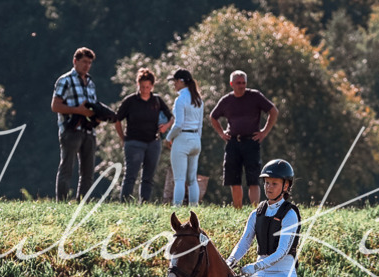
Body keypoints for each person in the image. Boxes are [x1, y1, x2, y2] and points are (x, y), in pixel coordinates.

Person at [209, 70, 279, 209]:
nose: (241, 86)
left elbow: (273, 111)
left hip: (251, 142)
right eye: (238, 83)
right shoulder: (226, 100)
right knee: (234, 179)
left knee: (253, 179)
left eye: (243, 83)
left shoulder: (255, 96)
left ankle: (255, 210)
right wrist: (221, 133)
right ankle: (238, 209)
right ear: (231, 84)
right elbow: (213, 117)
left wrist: (264, 132)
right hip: (233, 142)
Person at [114, 68, 173, 202]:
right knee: (131, 176)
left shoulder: (157, 100)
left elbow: (171, 117)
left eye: (148, 86)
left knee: (148, 177)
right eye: (142, 86)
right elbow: (117, 119)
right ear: (138, 85)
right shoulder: (130, 101)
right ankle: (125, 203)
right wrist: (123, 138)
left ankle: (144, 202)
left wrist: (166, 126)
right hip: (134, 143)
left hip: (153, 142)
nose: (145, 89)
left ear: (152, 86)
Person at [52, 47, 98, 202]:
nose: (87, 65)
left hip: (89, 131)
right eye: (84, 61)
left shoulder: (90, 82)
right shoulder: (65, 80)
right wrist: (77, 111)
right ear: (75, 61)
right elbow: (55, 106)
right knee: (67, 168)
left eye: (89, 63)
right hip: (71, 130)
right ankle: (62, 202)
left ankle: (82, 204)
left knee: (88, 173)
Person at [164, 69, 204, 207]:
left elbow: (178, 125)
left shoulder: (180, 99)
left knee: (179, 179)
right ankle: (194, 207)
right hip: (195, 139)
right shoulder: (198, 99)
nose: (174, 84)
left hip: (182, 139)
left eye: (175, 81)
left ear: (181, 81)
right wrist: (197, 139)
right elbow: (200, 125)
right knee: (192, 179)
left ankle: (177, 207)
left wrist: (168, 138)